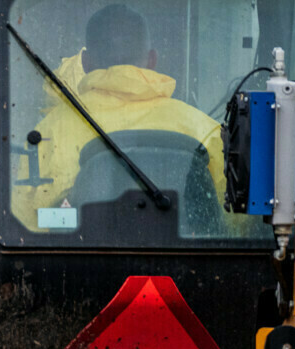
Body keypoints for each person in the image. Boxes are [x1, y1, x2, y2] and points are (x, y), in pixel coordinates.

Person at [12, 4, 228, 231]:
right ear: (152, 60)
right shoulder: (204, 130)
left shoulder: (49, 132)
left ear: (86, 63)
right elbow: (235, 222)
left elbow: (28, 223)